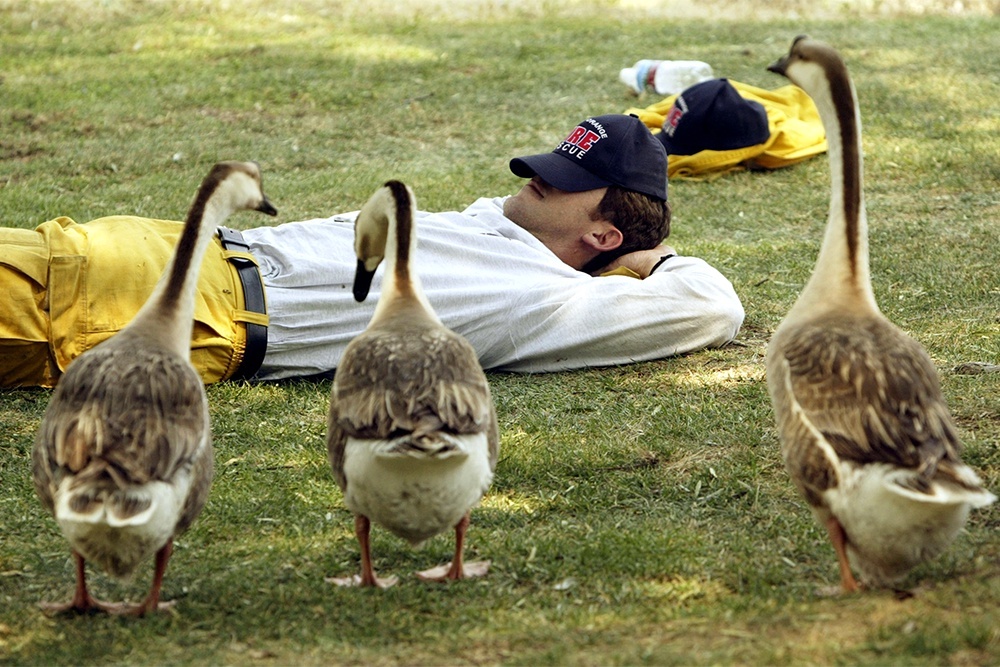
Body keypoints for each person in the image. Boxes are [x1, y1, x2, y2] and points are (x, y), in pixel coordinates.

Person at [0, 114, 744, 388]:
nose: (539, 178)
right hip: (161, 245)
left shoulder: (554, 301)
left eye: (568, 180)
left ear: (605, 235)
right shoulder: (493, 220)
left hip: (175, 310)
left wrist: (646, 261)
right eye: (555, 161)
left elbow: (714, 304)